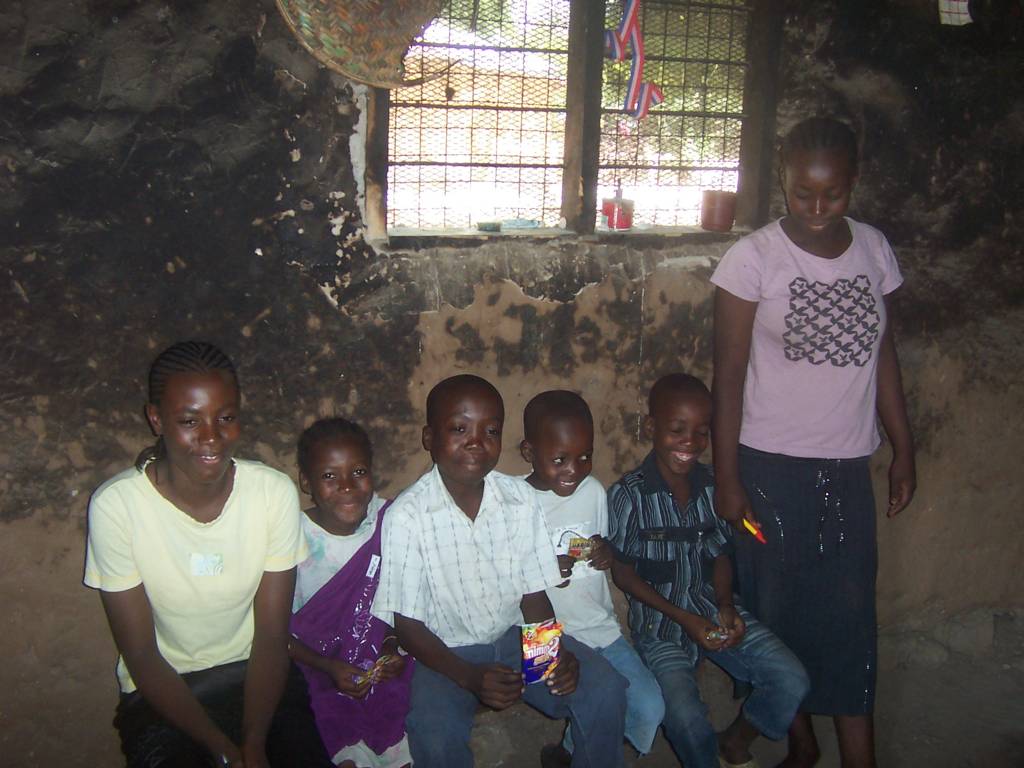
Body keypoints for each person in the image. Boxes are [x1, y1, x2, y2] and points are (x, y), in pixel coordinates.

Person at [710, 116, 916, 768]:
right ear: (783, 180)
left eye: (833, 193)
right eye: (804, 193)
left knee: (851, 621)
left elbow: (884, 355)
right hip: (768, 473)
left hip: (846, 471)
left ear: (853, 182)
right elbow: (728, 376)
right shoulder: (754, 259)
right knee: (776, 616)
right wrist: (727, 477)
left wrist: (903, 447)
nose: (818, 208)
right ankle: (800, 744)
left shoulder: (874, 250)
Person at [83, 340, 332, 768]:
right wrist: (224, 751)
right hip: (164, 693)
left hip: (258, 678)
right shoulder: (117, 507)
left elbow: (271, 638)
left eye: (226, 418)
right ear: (156, 419)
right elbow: (141, 655)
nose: (211, 436)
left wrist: (254, 744)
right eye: (189, 421)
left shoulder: (271, 494)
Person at [370, 374, 628, 768]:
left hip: (513, 638)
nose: (476, 441)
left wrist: (551, 654)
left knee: (603, 689)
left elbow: (533, 595)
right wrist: (469, 677)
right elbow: (407, 626)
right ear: (429, 438)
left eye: (490, 430)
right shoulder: (407, 515)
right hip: (444, 654)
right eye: (459, 429)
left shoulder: (519, 499)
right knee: (434, 734)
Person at [608, 373, 810, 768]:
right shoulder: (629, 495)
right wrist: (686, 619)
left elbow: (719, 555)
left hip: (714, 612)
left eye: (702, 433)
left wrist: (725, 606)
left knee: (791, 677)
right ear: (651, 428)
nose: (691, 442)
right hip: (661, 629)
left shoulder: (712, 487)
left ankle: (735, 741)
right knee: (684, 717)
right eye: (677, 430)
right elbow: (623, 574)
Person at [518, 390, 664, 766]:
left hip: (599, 628)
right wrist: (545, 568)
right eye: (560, 459)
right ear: (529, 452)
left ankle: (570, 751)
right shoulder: (513, 502)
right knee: (596, 698)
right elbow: (502, 581)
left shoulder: (593, 491)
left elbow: (600, 543)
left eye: (585, 456)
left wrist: (604, 553)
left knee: (650, 708)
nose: (575, 469)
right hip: (543, 635)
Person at [288, 417, 413, 767]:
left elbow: (402, 597)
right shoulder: (292, 538)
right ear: (306, 482)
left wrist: (391, 646)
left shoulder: (387, 521)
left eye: (358, 472)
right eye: (330, 476)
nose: (347, 486)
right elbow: (275, 633)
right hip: (314, 667)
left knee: (401, 711)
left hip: (378, 659)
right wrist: (327, 666)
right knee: (332, 730)